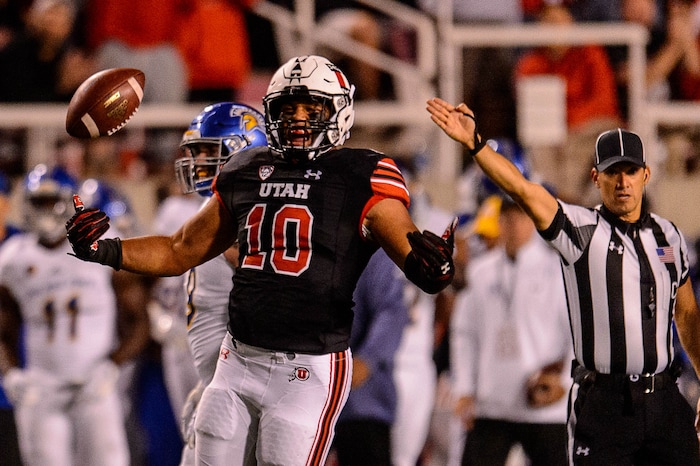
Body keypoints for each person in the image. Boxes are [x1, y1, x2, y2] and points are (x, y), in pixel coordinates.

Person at [65, 55, 456, 466]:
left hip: (307, 367)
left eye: (312, 108)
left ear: (338, 111)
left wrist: (432, 269)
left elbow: (412, 254)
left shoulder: (364, 173)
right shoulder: (247, 168)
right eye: (288, 108)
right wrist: (107, 249)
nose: (299, 119)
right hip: (238, 359)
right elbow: (181, 248)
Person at [427, 97, 700, 464]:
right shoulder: (582, 230)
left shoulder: (669, 236)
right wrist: (476, 144)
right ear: (595, 177)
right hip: (604, 400)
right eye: (613, 172)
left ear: (645, 175)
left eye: (631, 171)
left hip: (664, 396)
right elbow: (524, 190)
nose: (622, 182)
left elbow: (686, 315)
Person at [0, 165, 147, 466]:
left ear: (69, 201)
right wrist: (11, 373)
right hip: (42, 388)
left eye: (50, 201)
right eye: (36, 202)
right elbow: (2, 328)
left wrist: (113, 366)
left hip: (94, 384)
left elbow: (138, 319)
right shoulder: (14, 258)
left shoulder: (101, 244)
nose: (43, 210)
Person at [172, 101, 269, 466]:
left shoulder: (255, 221)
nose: (197, 162)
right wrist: (207, 382)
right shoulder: (213, 213)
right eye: (195, 152)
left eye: (207, 151)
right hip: (218, 386)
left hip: (245, 397)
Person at [451, 194, 572, 466]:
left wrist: (564, 382)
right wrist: (464, 387)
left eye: (521, 215)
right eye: (507, 216)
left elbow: (577, 336)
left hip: (543, 405)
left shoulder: (557, 271)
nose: (514, 223)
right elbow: (464, 334)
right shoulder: (480, 272)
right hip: (491, 400)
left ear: (533, 219)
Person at [331, 248, 409, 466]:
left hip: (359, 402)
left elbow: (392, 311)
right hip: (306, 390)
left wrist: (368, 358)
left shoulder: (371, 252)